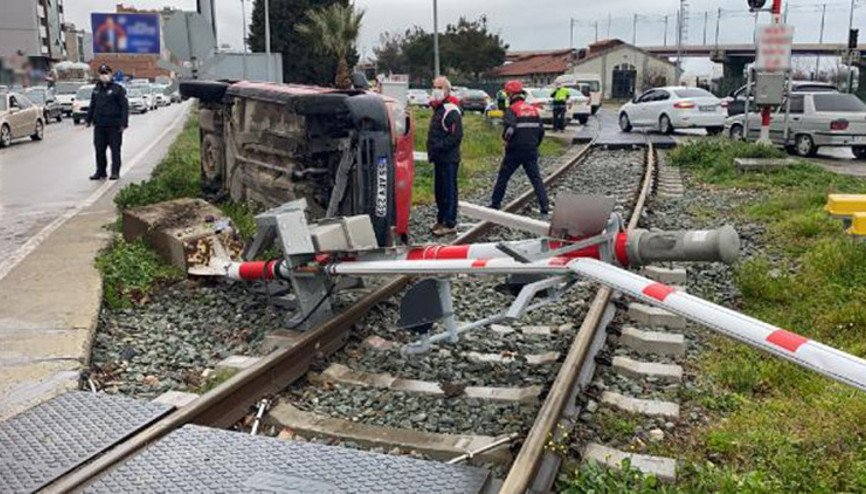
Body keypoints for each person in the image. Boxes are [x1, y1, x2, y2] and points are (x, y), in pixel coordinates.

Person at [490, 80, 549, 217]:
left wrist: (505, 140)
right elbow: (541, 131)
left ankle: (495, 203)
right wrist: (535, 145)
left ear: (510, 95)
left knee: (503, 177)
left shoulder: (512, 110)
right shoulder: (533, 109)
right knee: (536, 179)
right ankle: (544, 205)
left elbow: (510, 130)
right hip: (531, 150)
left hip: (515, 151)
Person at [426, 76, 464, 236]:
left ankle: (450, 222)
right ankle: (441, 220)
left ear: (447, 90)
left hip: (449, 158)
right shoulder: (439, 109)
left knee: (449, 191)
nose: (436, 90)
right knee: (440, 191)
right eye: (434, 86)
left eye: (440, 87)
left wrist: (438, 148)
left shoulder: (451, 110)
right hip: (439, 158)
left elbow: (455, 136)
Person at [86, 64, 128, 180]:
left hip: (114, 126)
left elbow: (124, 107)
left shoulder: (117, 89)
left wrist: (123, 123)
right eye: (102, 74)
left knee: (115, 150)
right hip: (99, 125)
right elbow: (92, 105)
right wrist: (88, 119)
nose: (104, 76)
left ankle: (115, 172)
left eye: (106, 73)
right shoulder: (96, 89)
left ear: (110, 74)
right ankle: (100, 171)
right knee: (99, 150)